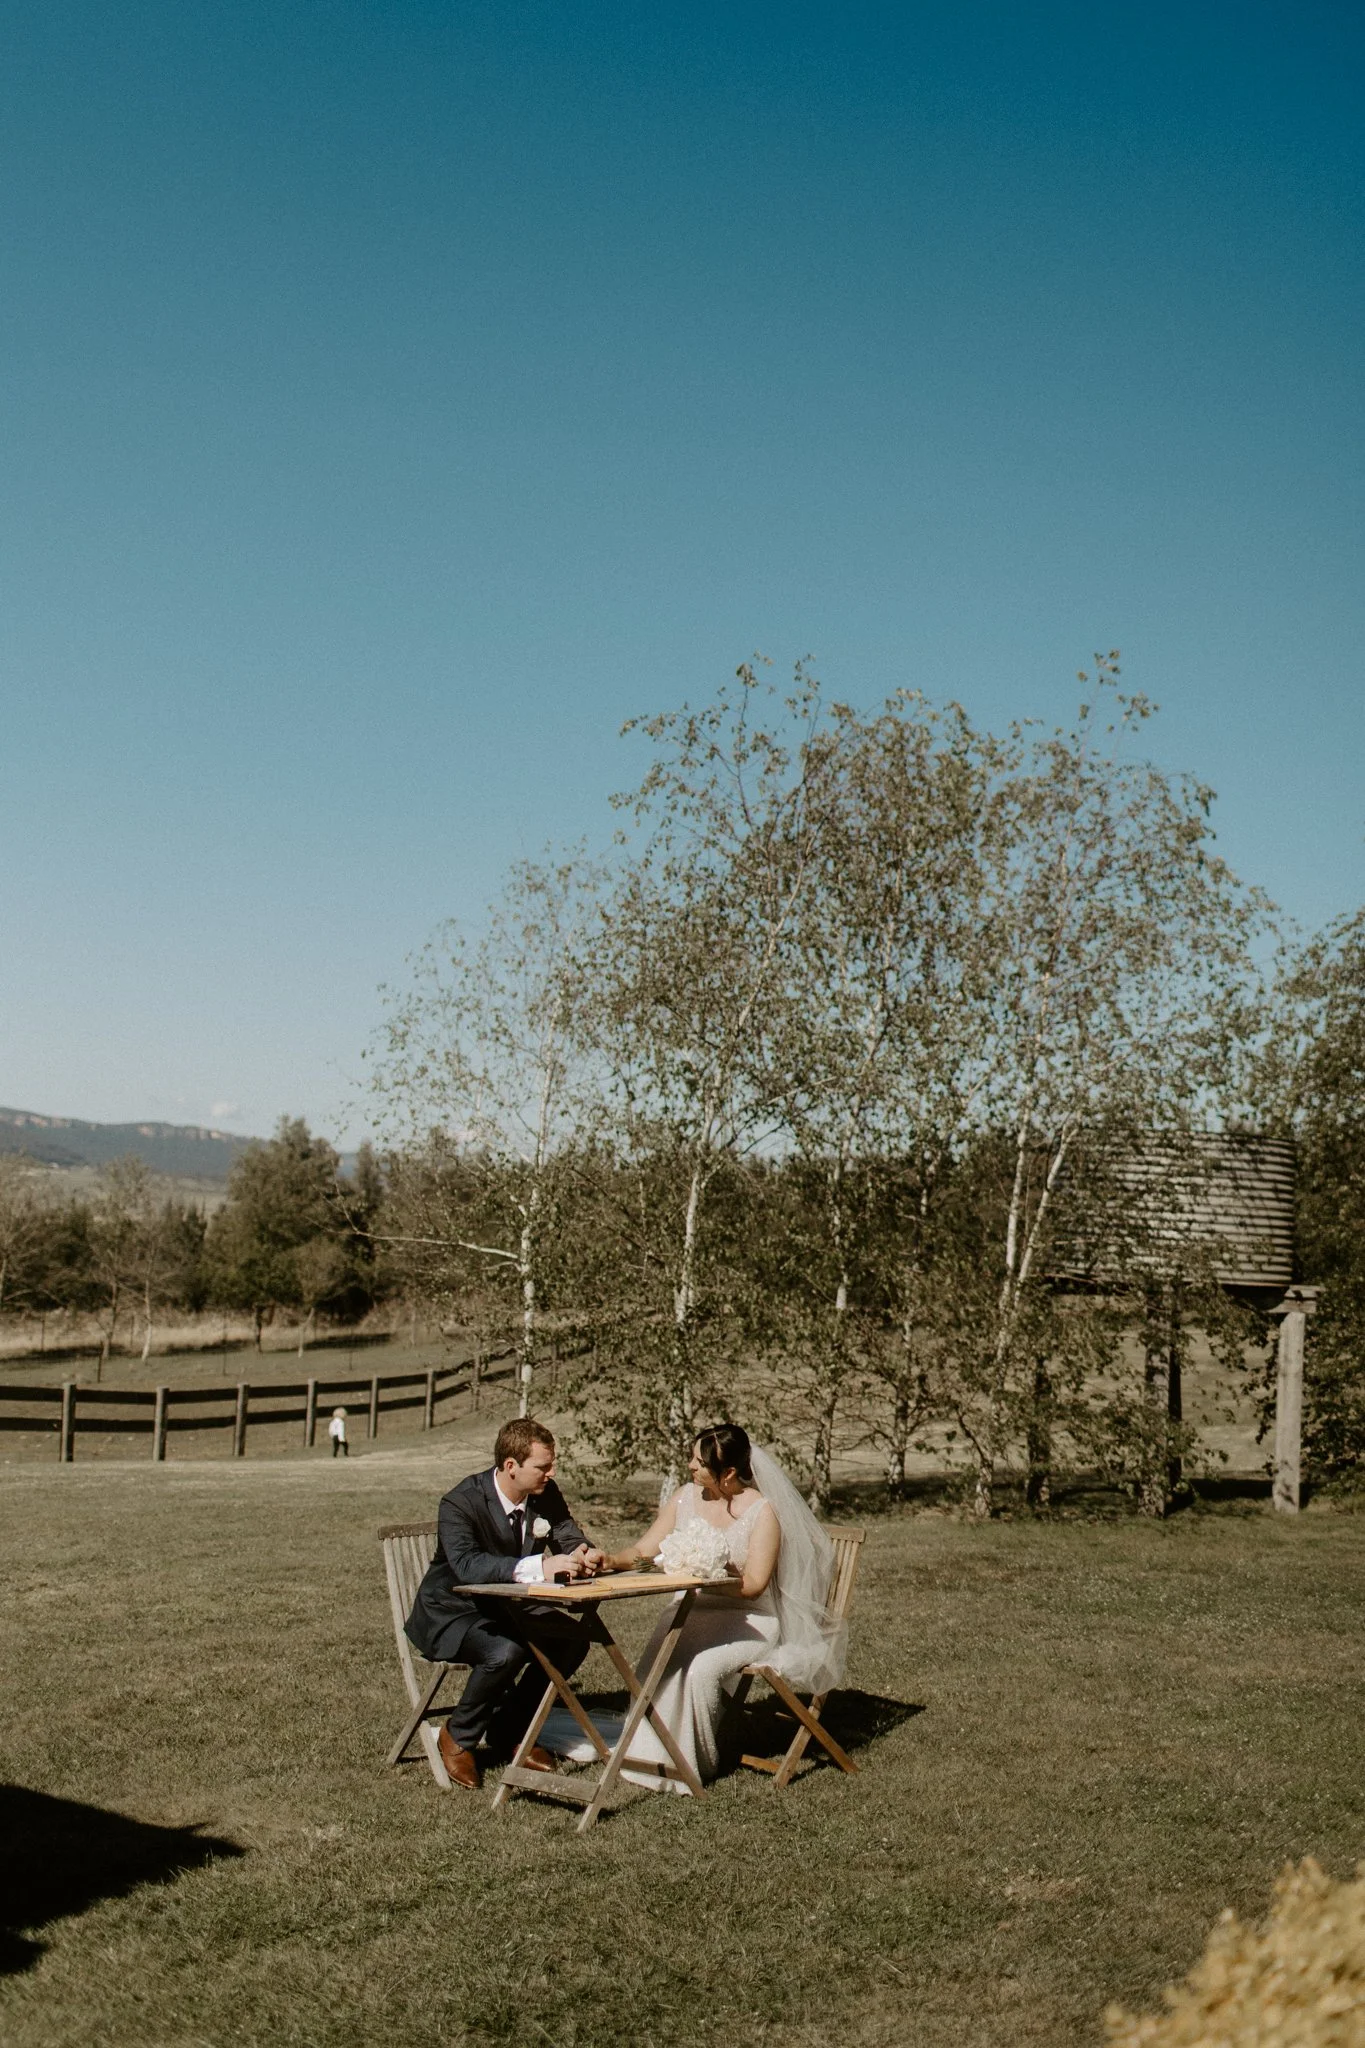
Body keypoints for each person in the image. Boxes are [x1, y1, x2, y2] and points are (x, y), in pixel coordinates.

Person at [596, 1425, 846, 1793]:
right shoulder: (684, 1497)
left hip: (748, 1621)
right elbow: (644, 1550)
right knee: (652, 1667)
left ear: (728, 1472)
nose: (690, 1467)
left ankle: (694, 1765)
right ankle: (643, 1758)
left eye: (699, 1462)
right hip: (689, 1612)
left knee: (699, 1672)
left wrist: (713, 1571)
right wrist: (612, 1559)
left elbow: (755, 1585)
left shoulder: (763, 1511)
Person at [404, 1417, 606, 1790]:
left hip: (509, 1605)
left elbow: (564, 1531)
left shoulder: (544, 1491)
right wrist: (539, 1566)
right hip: (453, 1611)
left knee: (574, 1639)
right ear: (511, 1466)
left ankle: (511, 1727)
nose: (552, 1472)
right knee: (505, 1651)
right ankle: (458, 1735)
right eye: (543, 1466)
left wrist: (583, 1551)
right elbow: (466, 1566)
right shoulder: (460, 1502)